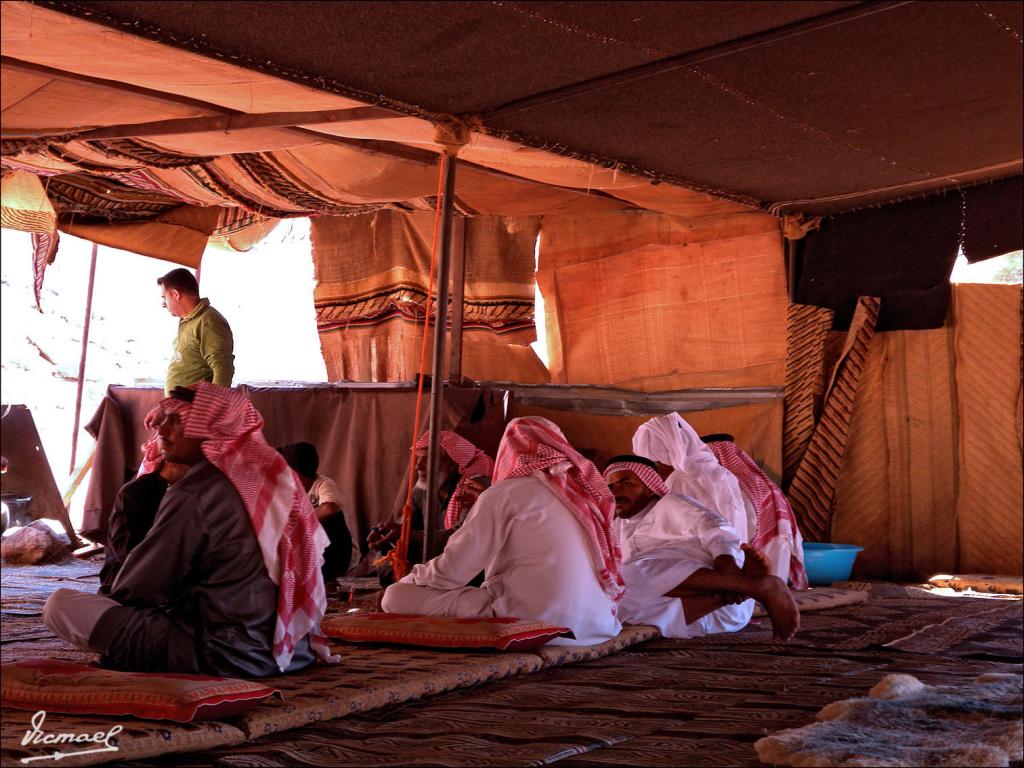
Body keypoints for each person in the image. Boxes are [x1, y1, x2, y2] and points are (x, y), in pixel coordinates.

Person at [44, 383, 335, 677]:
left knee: (60, 605)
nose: (163, 429)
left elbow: (140, 586)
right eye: (165, 419)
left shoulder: (197, 492)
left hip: (222, 655)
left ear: (213, 429)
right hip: (292, 651)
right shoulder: (276, 481)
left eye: (178, 420)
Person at [381, 417, 623, 647]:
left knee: (395, 596)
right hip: (595, 626)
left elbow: (451, 572)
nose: (420, 466)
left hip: (531, 620)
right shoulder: (581, 499)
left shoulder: (504, 493)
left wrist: (411, 579)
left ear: (510, 451)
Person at [604, 455, 799, 641]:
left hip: (723, 582)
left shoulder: (668, 504)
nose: (616, 492)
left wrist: (728, 568)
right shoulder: (618, 525)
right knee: (615, 608)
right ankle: (751, 587)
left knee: (629, 573)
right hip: (712, 613)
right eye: (610, 487)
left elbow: (717, 528)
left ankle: (750, 584)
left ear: (649, 487)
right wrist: (735, 586)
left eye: (625, 483)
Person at [367, 430, 492, 566]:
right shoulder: (422, 489)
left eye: (427, 459)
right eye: (418, 458)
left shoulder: (474, 487)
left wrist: (409, 536)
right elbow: (406, 525)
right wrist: (386, 534)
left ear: (452, 464)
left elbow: (463, 539)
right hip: (433, 562)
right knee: (387, 558)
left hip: (464, 564)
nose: (418, 466)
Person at [701, 434, 808, 590]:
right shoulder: (762, 482)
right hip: (773, 545)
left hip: (743, 552)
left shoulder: (716, 482)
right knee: (773, 584)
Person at [632, 413, 754, 543]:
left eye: (656, 462)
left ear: (667, 455)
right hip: (733, 550)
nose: (655, 471)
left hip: (708, 552)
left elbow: (672, 530)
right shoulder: (721, 472)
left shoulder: (680, 479)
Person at [98, 460, 188, 595]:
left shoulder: (197, 493)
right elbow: (129, 555)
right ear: (170, 462)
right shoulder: (135, 493)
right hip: (128, 587)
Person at [278, 442, 357, 583]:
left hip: (336, 555)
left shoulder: (323, 484)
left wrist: (299, 521)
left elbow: (330, 507)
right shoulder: (289, 492)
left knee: (330, 517)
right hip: (307, 557)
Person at [157, 267, 234, 395]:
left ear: (175, 294)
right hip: (181, 404)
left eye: (164, 297)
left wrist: (211, 404)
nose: (163, 304)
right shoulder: (189, 321)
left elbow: (223, 367)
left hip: (197, 406)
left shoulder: (208, 321)